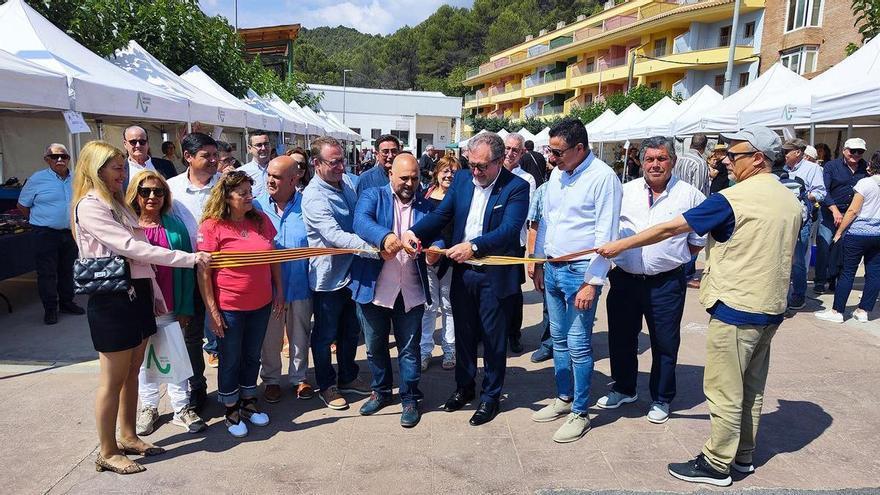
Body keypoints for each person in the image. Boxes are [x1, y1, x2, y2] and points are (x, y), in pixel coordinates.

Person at [597, 125, 802, 487]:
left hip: (736, 305)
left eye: (734, 155)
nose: (725, 161)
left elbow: (671, 230)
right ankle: (743, 455)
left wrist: (618, 247)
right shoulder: (788, 198)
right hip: (771, 306)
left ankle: (715, 463)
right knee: (751, 389)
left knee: (724, 389)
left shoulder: (732, 198)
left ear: (758, 159)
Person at [71, 140, 209, 474]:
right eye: (117, 168)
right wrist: (189, 259)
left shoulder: (117, 204)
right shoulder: (91, 206)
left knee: (133, 371)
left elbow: (138, 255)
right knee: (112, 379)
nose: (123, 174)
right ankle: (107, 450)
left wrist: (155, 295)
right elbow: (131, 247)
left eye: (122, 168)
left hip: (137, 293)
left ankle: (128, 436)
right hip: (112, 299)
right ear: (97, 168)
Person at [403, 131, 529, 426]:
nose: (475, 171)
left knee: (494, 341)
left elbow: (509, 230)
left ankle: (490, 397)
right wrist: (414, 232)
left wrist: (473, 246)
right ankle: (464, 387)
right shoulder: (461, 180)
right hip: (462, 275)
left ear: (499, 162)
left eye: (482, 166)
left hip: (494, 276)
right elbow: (442, 215)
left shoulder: (517, 188)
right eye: (471, 164)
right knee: (464, 335)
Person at [598, 136, 706, 426]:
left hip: (665, 283)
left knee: (665, 342)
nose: (655, 164)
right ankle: (623, 388)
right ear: (641, 162)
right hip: (624, 280)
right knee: (621, 337)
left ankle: (661, 398)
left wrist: (673, 257)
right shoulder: (624, 192)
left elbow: (697, 240)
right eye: (650, 159)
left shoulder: (691, 196)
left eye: (662, 158)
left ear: (672, 161)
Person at [530, 119, 621, 443]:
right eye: (550, 151)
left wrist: (591, 282)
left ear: (579, 148)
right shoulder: (556, 175)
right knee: (558, 339)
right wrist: (540, 263)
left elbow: (606, 236)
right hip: (553, 269)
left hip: (580, 273)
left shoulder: (603, 179)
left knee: (579, 344)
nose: (551, 158)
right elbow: (548, 221)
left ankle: (580, 413)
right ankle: (564, 397)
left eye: (557, 152)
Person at [197, 171, 283, 438]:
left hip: (261, 303)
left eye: (250, 191)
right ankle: (230, 408)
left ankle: (248, 401)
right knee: (230, 358)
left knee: (251, 354)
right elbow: (204, 273)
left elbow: (273, 257)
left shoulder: (260, 220)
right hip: (229, 306)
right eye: (243, 193)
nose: (250, 197)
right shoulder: (212, 227)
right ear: (227, 197)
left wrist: (278, 290)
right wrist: (212, 310)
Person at [350, 153, 433, 427]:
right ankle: (381, 391)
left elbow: (438, 232)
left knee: (409, 349)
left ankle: (410, 398)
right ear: (390, 175)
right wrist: (385, 237)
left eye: (415, 178)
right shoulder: (373, 195)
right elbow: (360, 221)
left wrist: (433, 252)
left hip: (410, 290)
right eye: (404, 178)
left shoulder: (426, 204)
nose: (410, 183)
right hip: (375, 289)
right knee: (374, 347)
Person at [126, 171, 206, 436]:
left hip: (171, 303)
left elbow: (185, 271)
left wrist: (184, 307)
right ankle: (149, 407)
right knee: (143, 359)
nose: (152, 197)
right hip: (138, 305)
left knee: (175, 356)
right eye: (145, 191)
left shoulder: (174, 226)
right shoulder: (127, 226)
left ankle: (181, 407)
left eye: (158, 192)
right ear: (135, 195)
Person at [302, 136, 374, 410]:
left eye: (342, 161)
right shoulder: (313, 196)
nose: (341, 167)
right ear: (316, 163)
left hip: (352, 274)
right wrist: (372, 247)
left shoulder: (347, 184)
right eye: (334, 163)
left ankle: (347, 377)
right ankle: (327, 385)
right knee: (324, 336)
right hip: (327, 279)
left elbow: (359, 219)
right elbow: (333, 235)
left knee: (350, 331)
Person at [254, 155, 315, 402]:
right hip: (267, 287)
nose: (270, 180)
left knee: (300, 334)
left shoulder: (308, 205)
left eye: (277, 177)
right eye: (269, 174)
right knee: (270, 337)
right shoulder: (256, 206)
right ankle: (270, 380)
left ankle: (299, 378)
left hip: (300, 282)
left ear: (294, 179)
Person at [167, 132, 220, 408]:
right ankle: (197, 387)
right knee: (191, 334)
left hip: (223, 271)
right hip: (187, 272)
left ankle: (231, 387)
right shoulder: (170, 189)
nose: (213, 161)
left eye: (215, 155)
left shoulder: (226, 184)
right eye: (206, 156)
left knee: (227, 331)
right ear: (188, 157)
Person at [17, 143, 84, 325]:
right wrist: (40, 220)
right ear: (47, 160)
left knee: (67, 270)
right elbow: (22, 205)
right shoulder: (37, 179)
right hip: (45, 233)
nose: (60, 160)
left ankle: (67, 302)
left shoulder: (77, 179)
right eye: (55, 157)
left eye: (64, 156)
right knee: (47, 273)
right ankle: (50, 309)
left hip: (69, 232)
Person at [815, 169, 880, 323]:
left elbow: (853, 210)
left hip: (858, 233)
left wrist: (839, 232)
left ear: (872, 165)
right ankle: (863, 310)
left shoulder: (866, 182)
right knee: (875, 273)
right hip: (878, 233)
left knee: (847, 272)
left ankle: (837, 311)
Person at [815, 138, 869, 294]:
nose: (856, 154)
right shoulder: (831, 166)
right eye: (853, 151)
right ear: (845, 150)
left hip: (852, 214)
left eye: (860, 152)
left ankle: (834, 279)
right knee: (825, 246)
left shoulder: (865, 168)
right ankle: (820, 281)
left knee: (843, 249)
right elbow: (824, 190)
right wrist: (834, 210)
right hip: (830, 212)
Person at [420, 155, 458, 371]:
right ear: (436, 172)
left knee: (449, 306)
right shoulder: (425, 196)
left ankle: (449, 348)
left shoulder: (460, 197)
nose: (449, 174)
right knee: (429, 306)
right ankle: (425, 349)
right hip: (427, 259)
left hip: (451, 259)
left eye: (453, 171)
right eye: (445, 170)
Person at [781, 138, 826, 310]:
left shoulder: (812, 168)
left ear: (798, 152)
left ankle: (798, 295)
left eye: (787, 152)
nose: (784, 155)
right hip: (783, 219)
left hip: (802, 220)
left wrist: (803, 195)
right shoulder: (783, 169)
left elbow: (821, 193)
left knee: (798, 259)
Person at [502, 133, 536, 354]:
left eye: (515, 150)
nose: (510, 153)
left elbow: (527, 213)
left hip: (515, 241)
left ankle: (514, 334)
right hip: (490, 240)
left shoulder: (527, 179)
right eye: (507, 148)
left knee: (513, 290)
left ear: (522, 153)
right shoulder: (492, 172)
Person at [674, 133, 710, 288]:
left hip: (677, 202)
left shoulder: (680, 160)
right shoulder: (700, 163)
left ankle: (680, 270)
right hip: (692, 207)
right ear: (704, 146)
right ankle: (687, 274)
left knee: (679, 238)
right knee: (694, 239)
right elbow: (699, 189)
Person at [527, 181, 552, 363]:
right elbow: (534, 227)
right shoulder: (544, 190)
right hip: (550, 262)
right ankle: (548, 345)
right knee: (549, 306)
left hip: (580, 263)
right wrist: (534, 262)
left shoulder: (590, 186)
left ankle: (575, 349)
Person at [240, 130, 272, 198]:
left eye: (266, 144)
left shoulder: (280, 169)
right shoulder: (242, 172)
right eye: (259, 145)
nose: (263, 148)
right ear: (249, 148)